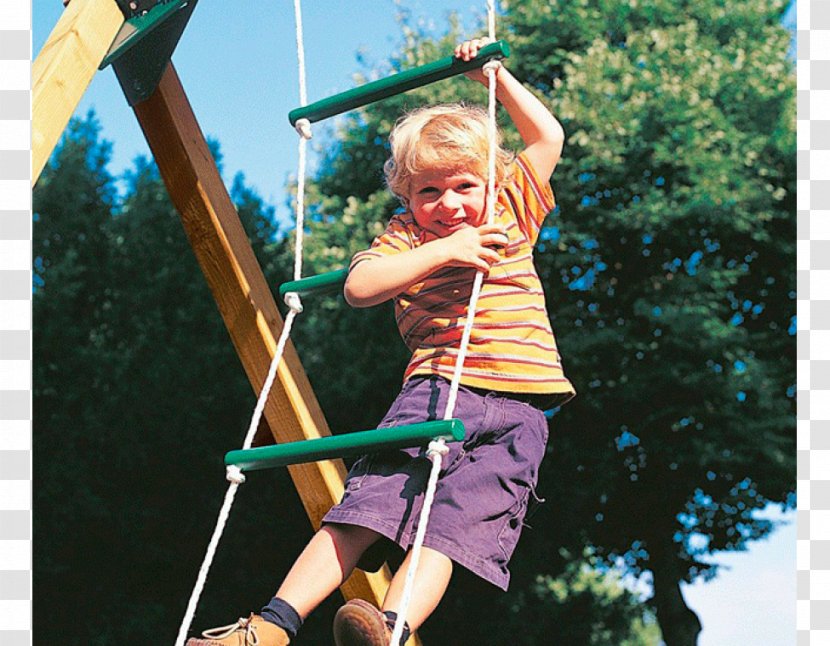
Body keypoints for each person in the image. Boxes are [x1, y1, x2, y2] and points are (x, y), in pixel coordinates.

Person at [187, 37, 575, 646]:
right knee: (365, 510)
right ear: (406, 197)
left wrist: (492, 78)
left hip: (523, 413)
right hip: (439, 390)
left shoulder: (511, 207)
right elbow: (360, 286)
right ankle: (269, 627)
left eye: (463, 186)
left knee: (449, 534)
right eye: (428, 192)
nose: (447, 204)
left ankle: (387, 631)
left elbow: (547, 137)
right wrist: (446, 251)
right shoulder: (407, 238)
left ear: (491, 181)